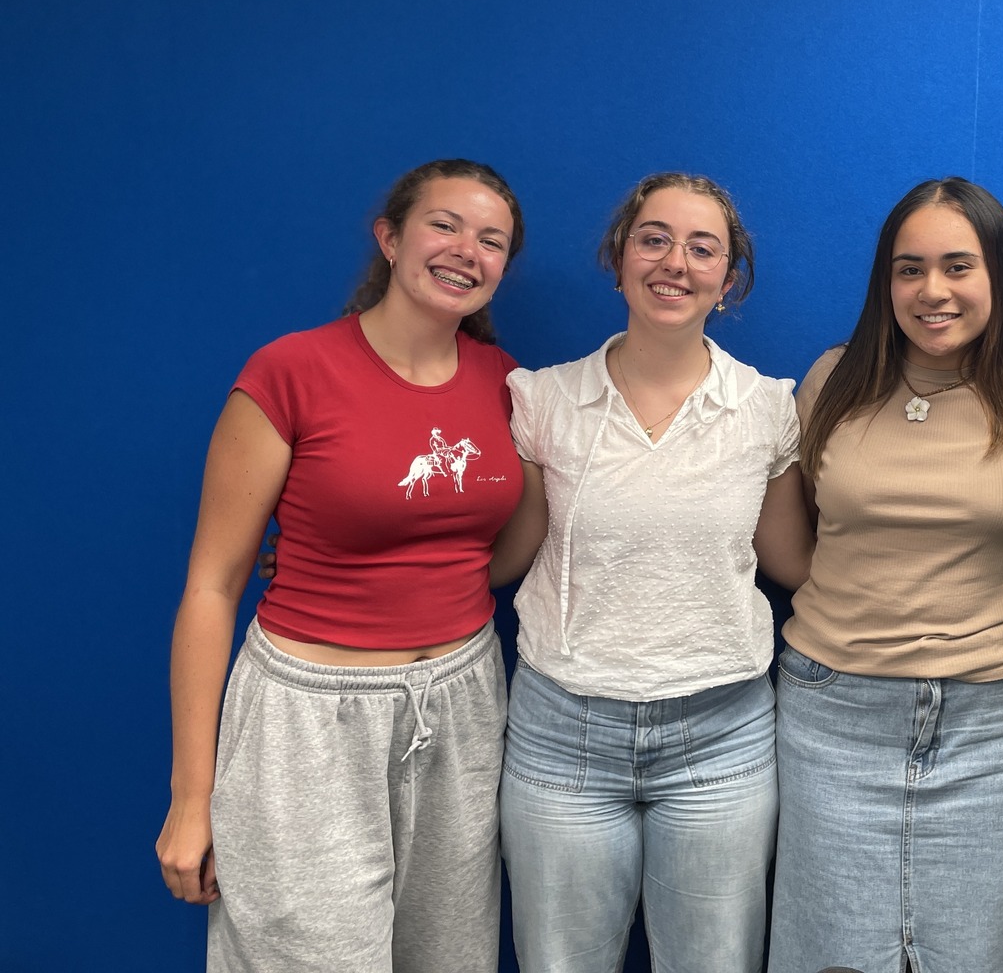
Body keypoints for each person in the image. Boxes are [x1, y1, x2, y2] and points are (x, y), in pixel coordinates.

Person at [155, 159, 527, 972]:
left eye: (491, 239)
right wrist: (192, 797)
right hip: (309, 717)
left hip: (461, 709)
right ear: (389, 238)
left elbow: (492, 552)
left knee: (449, 958)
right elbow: (212, 586)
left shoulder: (508, 387)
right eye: (445, 225)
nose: (467, 249)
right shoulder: (292, 373)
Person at [491, 172, 814, 973]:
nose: (675, 262)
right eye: (654, 238)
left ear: (728, 280)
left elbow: (791, 565)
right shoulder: (544, 401)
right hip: (562, 734)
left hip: (722, 737)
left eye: (702, 248)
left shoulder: (768, 408)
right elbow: (506, 557)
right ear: (619, 257)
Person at [767, 178, 1003, 973]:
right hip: (833, 716)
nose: (932, 290)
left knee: (985, 955)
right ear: (886, 282)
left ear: (999, 277)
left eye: (957, 266)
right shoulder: (831, 381)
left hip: (994, 725)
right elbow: (795, 550)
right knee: (829, 950)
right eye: (909, 269)